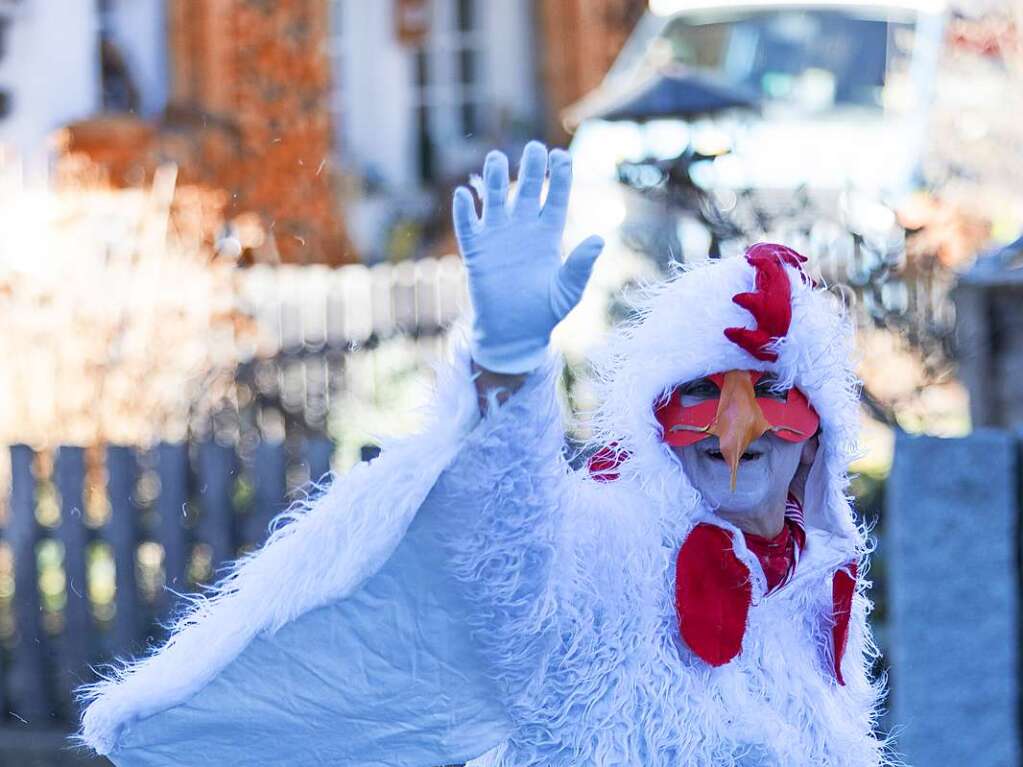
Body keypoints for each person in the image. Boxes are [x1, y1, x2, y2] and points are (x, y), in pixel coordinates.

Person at [79, 143, 892, 766]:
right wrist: (508, 356)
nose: (734, 430)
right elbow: (501, 534)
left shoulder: (817, 588)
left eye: (768, 393)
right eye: (701, 395)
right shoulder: (607, 555)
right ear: (653, 419)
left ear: (816, 429)